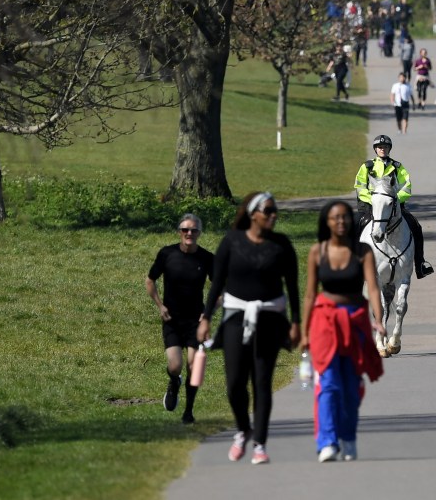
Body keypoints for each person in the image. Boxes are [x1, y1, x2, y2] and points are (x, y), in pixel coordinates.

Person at [197, 192, 301, 466]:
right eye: (268, 211)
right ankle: (244, 429)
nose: (273, 215)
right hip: (236, 318)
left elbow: (292, 286)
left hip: (270, 319)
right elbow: (217, 282)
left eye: (275, 210)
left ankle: (260, 444)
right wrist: (206, 318)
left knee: (262, 382)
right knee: (234, 384)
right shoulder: (232, 242)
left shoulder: (281, 245)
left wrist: (296, 323)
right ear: (253, 214)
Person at [301, 201, 385, 462]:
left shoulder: (363, 252)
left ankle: (347, 437)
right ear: (327, 222)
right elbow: (309, 295)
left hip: (355, 322)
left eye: (345, 218)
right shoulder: (318, 252)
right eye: (335, 218)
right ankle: (326, 441)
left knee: (351, 387)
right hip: (324, 322)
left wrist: (379, 319)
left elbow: (372, 288)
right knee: (328, 383)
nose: (341, 222)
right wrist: (304, 332)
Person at [145, 213, 215, 424]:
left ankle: (188, 411)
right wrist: (160, 305)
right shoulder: (167, 254)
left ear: (199, 233)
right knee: (175, 365)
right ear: (179, 232)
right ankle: (174, 382)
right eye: (185, 230)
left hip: (196, 322)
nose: (189, 234)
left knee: (195, 367)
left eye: (193, 230)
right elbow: (150, 281)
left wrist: (209, 312)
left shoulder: (207, 258)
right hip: (172, 320)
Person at [353, 134, 434, 279]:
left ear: (389, 149)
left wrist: (394, 200)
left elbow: (407, 186)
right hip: (370, 207)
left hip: (394, 207)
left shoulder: (398, 167)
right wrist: (374, 201)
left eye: (385, 147)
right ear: (375, 149)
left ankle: (420, 263)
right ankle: (352, 263)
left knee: (415, 225)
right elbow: (359, 186)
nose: (382, 149)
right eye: (379, 147)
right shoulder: (367, 166)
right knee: (354, 223)